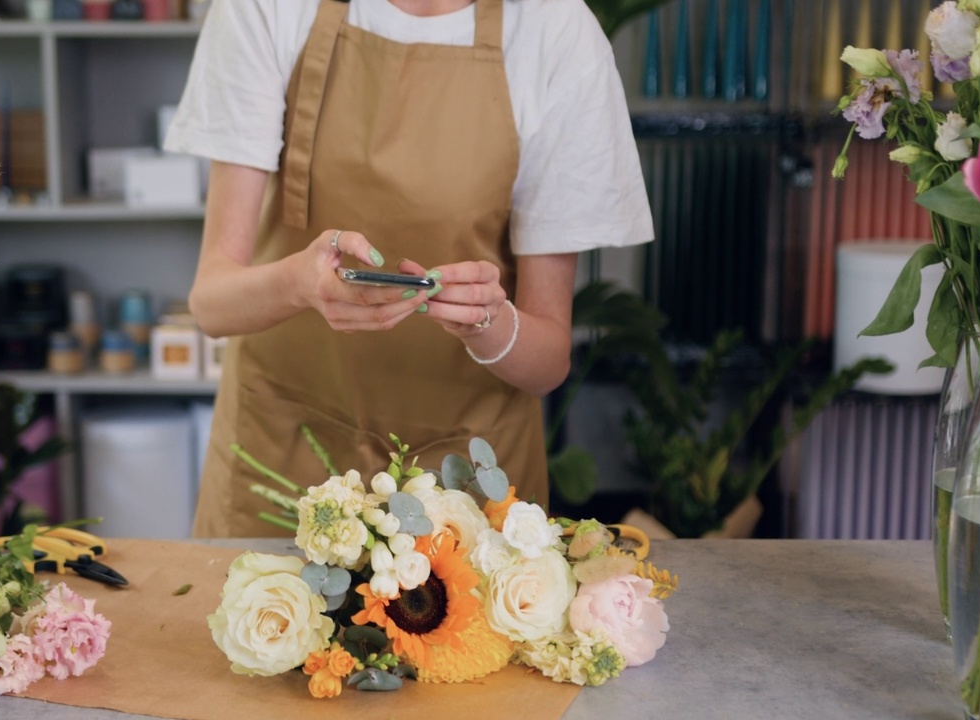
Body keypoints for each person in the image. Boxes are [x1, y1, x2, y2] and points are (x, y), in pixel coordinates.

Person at [164, 0, 654, 538]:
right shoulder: (270, 8)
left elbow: (549, 361)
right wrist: (297, 284)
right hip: (284, 464)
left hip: (465, 488)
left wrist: (489, 323)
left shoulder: (556, 31)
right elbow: (211, 302)